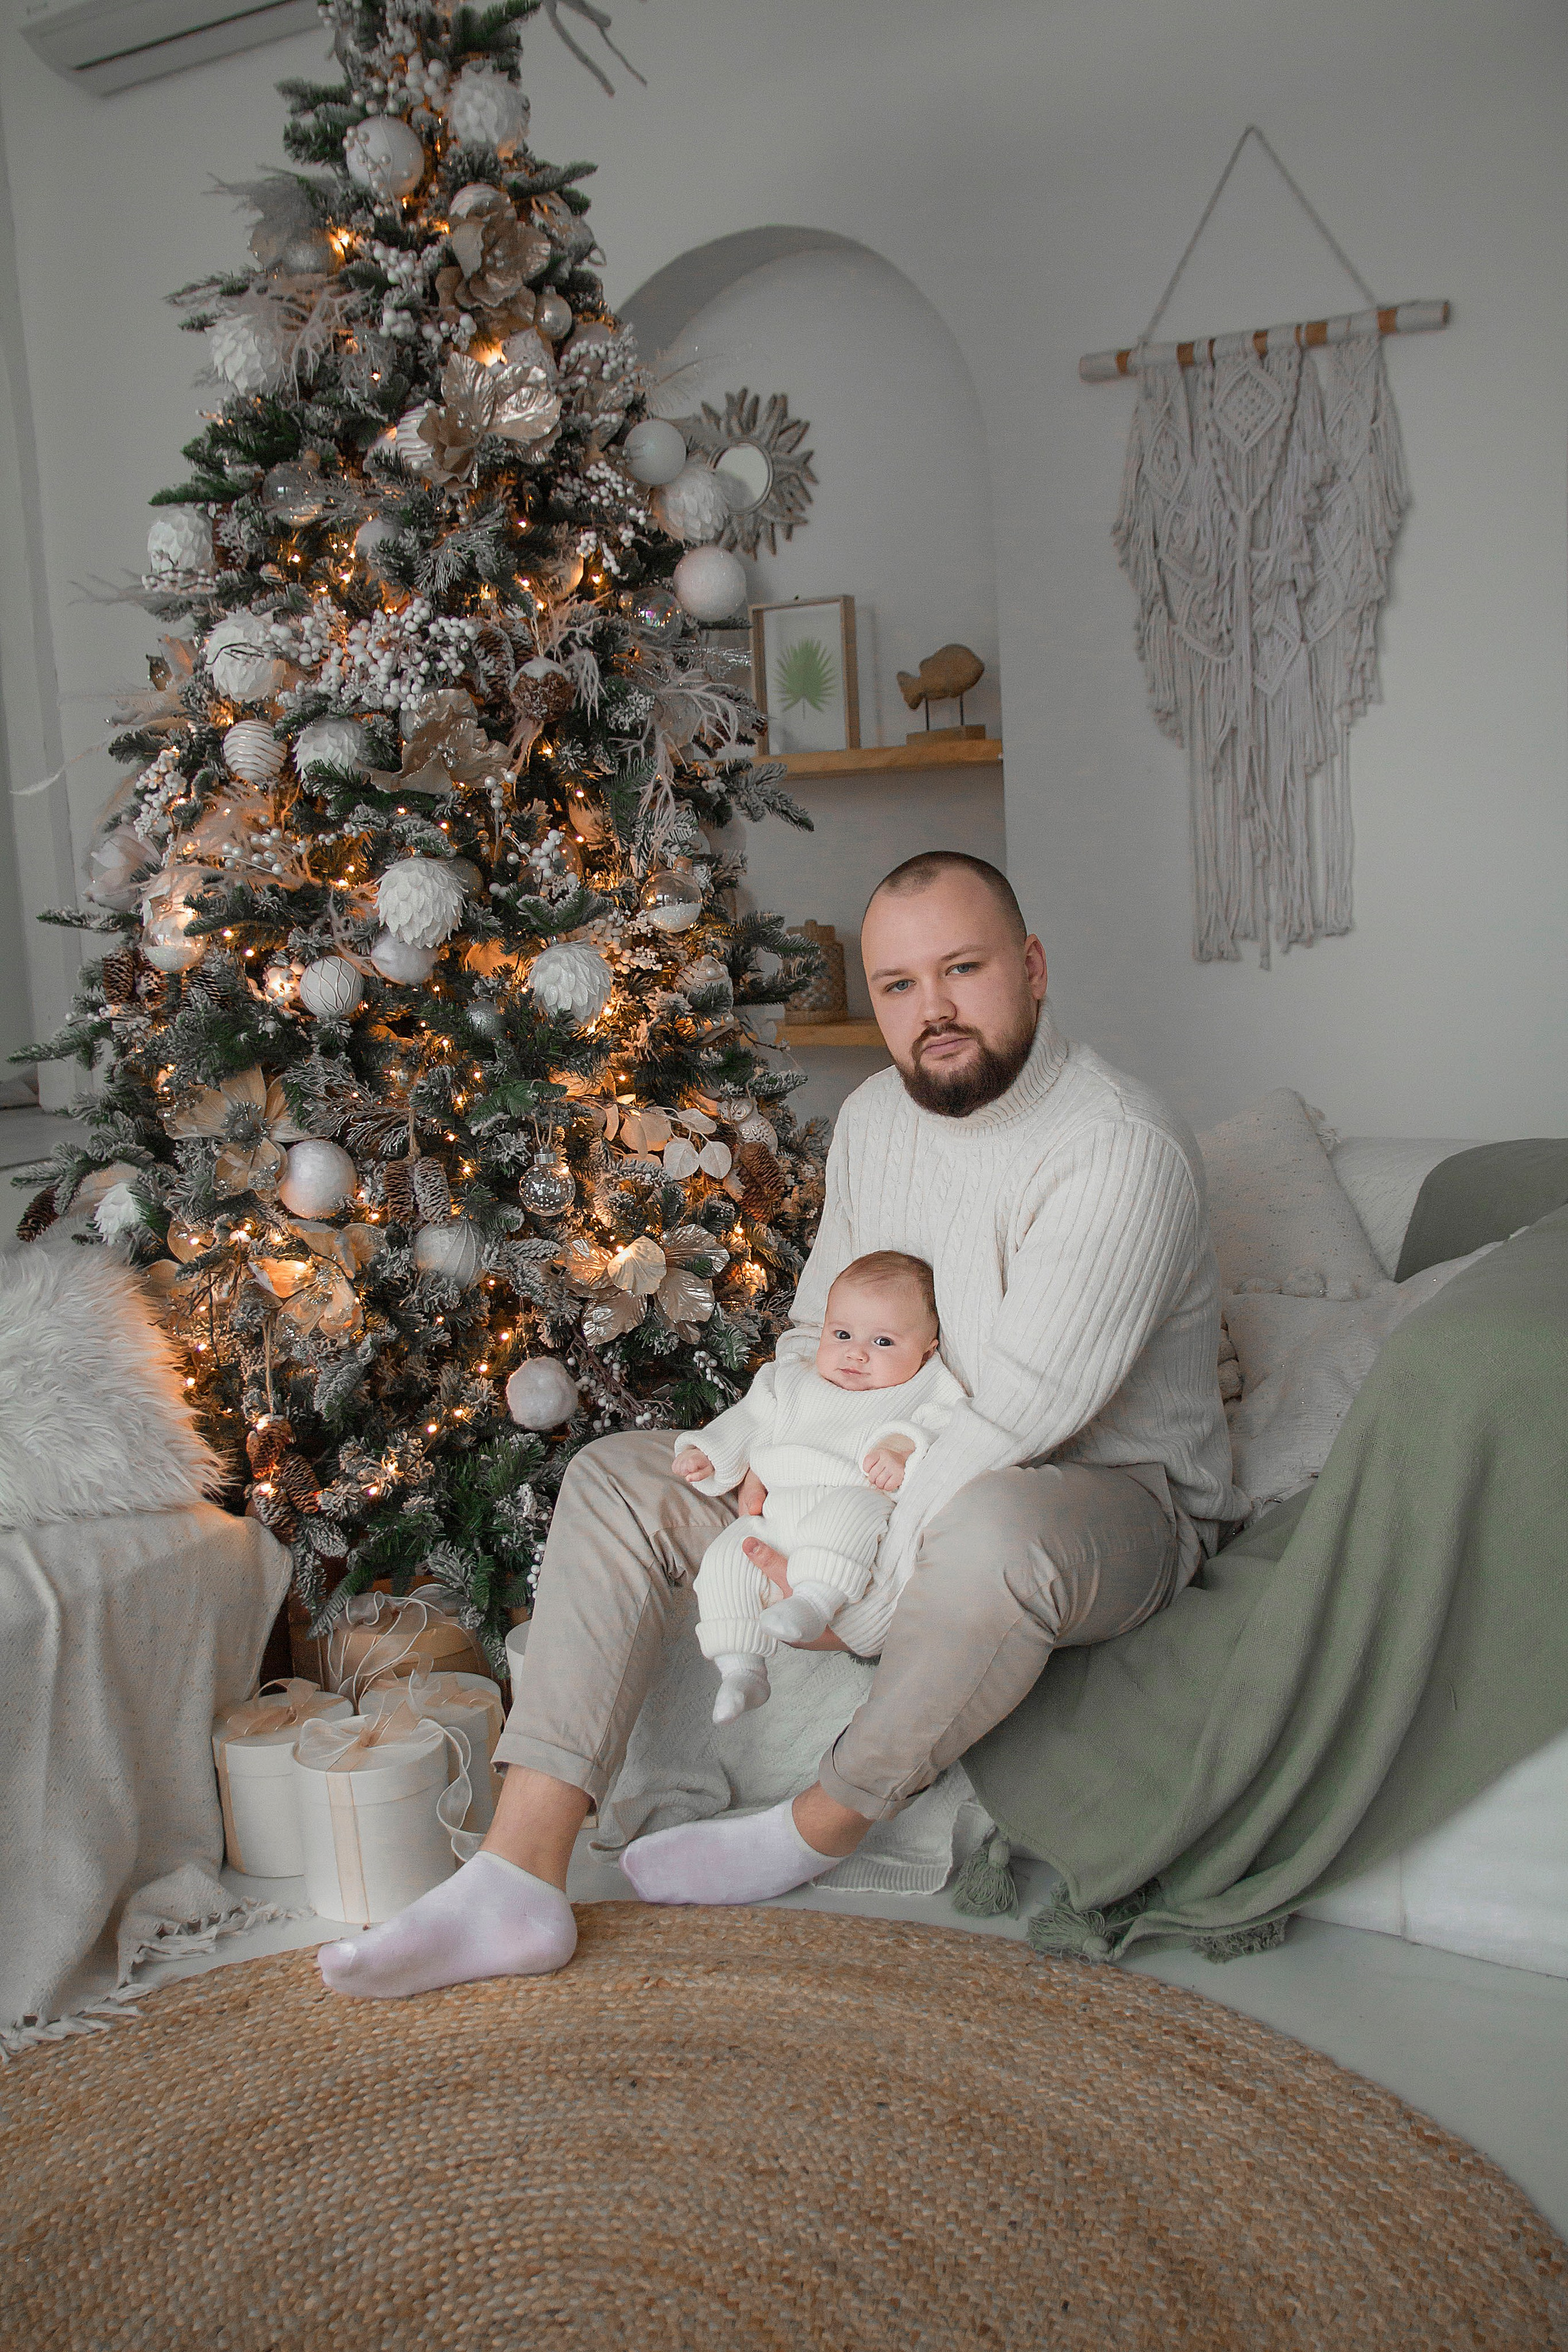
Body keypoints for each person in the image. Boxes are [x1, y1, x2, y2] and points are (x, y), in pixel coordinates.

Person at [318, 850, 1244, 1999]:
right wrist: (772, 1462)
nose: (934, 1010)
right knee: (615, 1474)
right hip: (868, 1467)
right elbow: (819, 1337)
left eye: (964, 968)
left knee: (997, 1527)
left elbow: (1015, 1417)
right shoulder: (873, 1118)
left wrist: (847, 1586)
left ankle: (814, 1824)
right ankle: (519, 1872)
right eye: (899, 984)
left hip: (1102, 1492)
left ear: (1035, 968)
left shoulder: (1118, 1149)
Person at [673, 1250, 963, 1723]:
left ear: (928, 1349)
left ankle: (813, 1602)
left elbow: (941, 1424)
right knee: (727, 1558)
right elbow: (749, 1421)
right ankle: (740, 1668)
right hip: (776, 1511)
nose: (856, 1352)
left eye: (884, 1341)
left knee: (849, 1516)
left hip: (852, 1496)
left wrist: (899, 1449)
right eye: (842, 1334)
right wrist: (708, 1454)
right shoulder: (793, 1378)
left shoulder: (926, 1385)